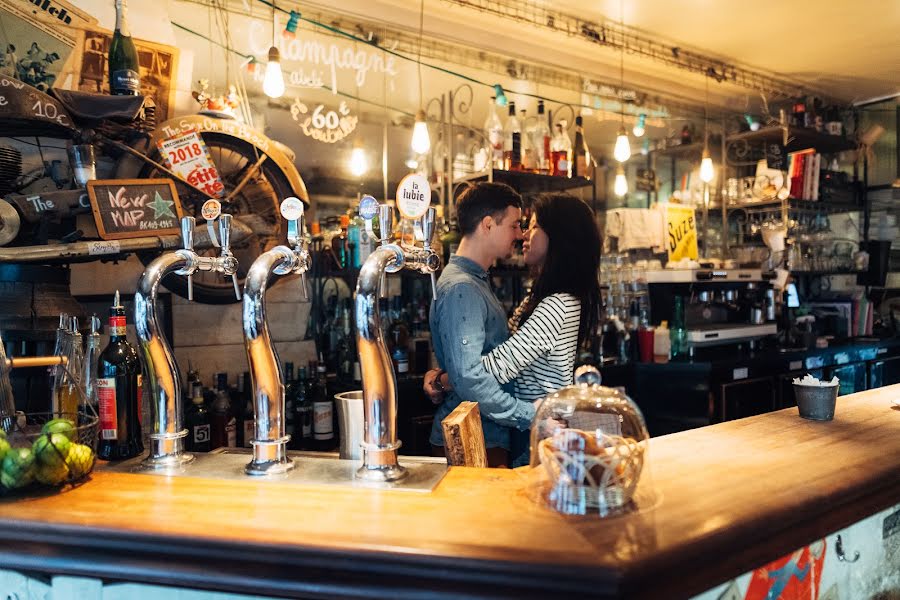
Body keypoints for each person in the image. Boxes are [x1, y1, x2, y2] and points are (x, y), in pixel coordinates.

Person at [429, 193, 602, 466]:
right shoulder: (542, 298)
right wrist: (454, 376)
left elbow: (500, 365)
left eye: (532, 226)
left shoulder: (559, 303)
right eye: (518, 226)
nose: (523, 235)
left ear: (557, 236)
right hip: (533, 427)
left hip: (542, 432)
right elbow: (500, 355)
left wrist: (446, 380)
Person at [427, 182, 534, 467]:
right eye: (514, 225)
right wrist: (527, 414)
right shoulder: (463, 288)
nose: (520, 234)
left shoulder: (474, 282)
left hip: (484, 436)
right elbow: (469, 378)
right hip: (473, 440)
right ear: (488, 225)